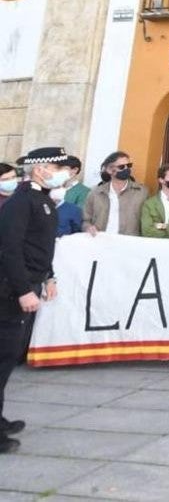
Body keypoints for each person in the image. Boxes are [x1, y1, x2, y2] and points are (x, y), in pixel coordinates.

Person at [0, 147, 71, 454]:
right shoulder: (22, 201)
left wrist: (49, 275)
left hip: (29, 282)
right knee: (3, 358)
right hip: (11, 291)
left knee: (9, 357)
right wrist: (23, 290)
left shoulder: (43, 200)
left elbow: (40, 246)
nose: (63, 172)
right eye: (58, 166)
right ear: (40, 169)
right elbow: (10, 249)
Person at [83, 151, 146, 236]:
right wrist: (88, 228)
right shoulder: (95, 192)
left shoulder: (141, 192)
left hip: (129, 243)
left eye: (129, 165)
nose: (126, 169)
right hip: (101, 241)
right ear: (109, 170)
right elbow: (85, 220)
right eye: (121, 167)